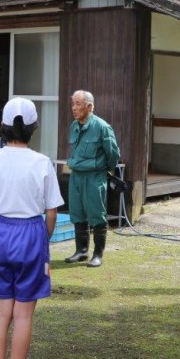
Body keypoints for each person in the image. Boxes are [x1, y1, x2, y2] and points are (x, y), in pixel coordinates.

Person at [0, 97, 62, 359]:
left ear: (4, 126)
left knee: (2, 311)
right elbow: (51, 212)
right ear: (34, 128)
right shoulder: (42, 163)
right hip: (30, 233)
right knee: (24, 314)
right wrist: (43, 239)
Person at [63, 90, 120, 269]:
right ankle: (81, 251)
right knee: (77, 213)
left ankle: (97, 254)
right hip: (76, 177)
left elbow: (113, 154)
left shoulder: (102, 127)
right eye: (73, 104)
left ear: (89, 106)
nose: (74, 108)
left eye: (78, 104)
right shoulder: (74, 126)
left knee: (96, 214)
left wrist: (103, 169)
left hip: (95, 177)